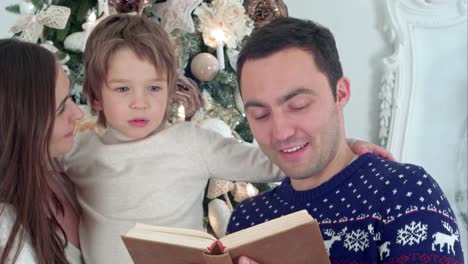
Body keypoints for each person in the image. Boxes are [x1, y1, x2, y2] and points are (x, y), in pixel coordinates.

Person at [56, 14, 393, 263]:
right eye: (123, 89)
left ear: (170, 90)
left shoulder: (191, 143)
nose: (140, 102)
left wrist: (344, 150)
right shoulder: (78, 149)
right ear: (96, 98)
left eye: (154, 87)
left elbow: (274, 159)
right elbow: (26, 159)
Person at [227, 17, 464, 263]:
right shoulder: (247, 221)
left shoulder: (406, 194)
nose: (280, 132)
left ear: (340, 94)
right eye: (260, 115)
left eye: (298, 106)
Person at [0, 39, 84, 263]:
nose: (78, 114)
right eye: (62, 108)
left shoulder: (61, 168)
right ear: (23, 126)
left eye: (71, 99)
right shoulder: (7, 233)